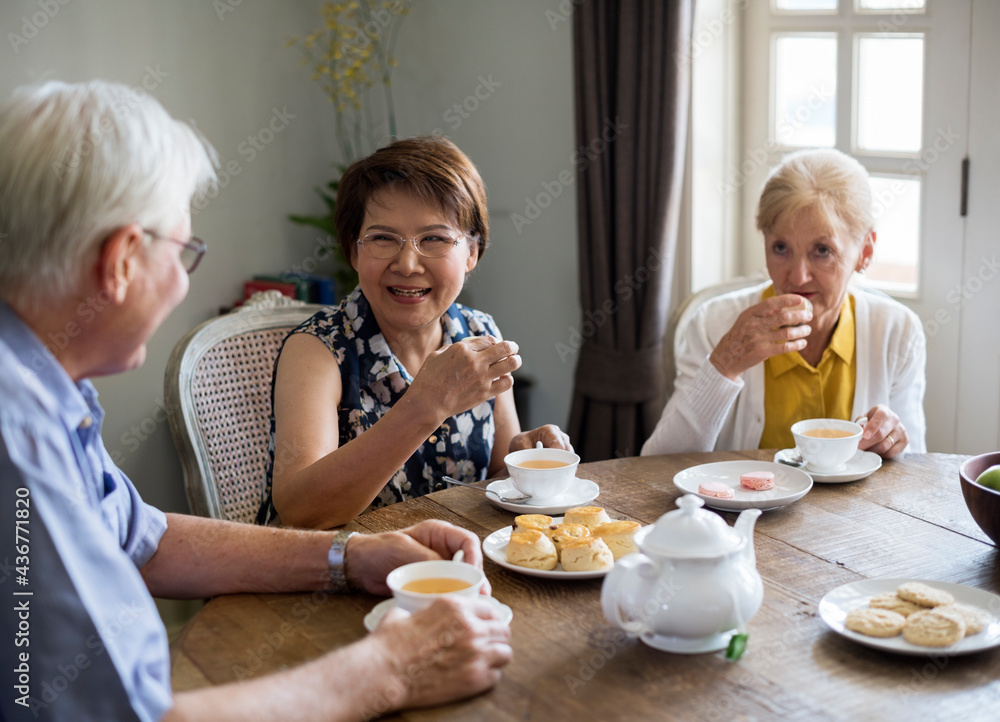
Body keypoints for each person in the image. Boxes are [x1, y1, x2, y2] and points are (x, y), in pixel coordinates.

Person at [0, 80, 511, 722]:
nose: (184, 283)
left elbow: (143, 538)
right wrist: (386, 669)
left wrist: (352, 556)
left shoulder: (45, 391)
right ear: (123, 260)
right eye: (184, 252)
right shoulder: (16, 434)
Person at [257, 136, 572, 529]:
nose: (407, 264)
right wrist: (427, 404)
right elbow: (302, 511)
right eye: (383, 239)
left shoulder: (478, 332)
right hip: (338, 576)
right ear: (353, 251)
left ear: (472, 252)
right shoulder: (319, 349)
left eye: (434, 239)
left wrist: (524, 457)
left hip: (455, 570)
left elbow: (497, 475)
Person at [642, 148, 927, 457]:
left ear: (865, 252)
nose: (798, 276)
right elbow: (658, 464)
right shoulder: (714, 323)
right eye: (780, 247)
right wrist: (724, 364)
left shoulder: (898, 332)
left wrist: (893, 444)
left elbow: (912, 472)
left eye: (822, 250)